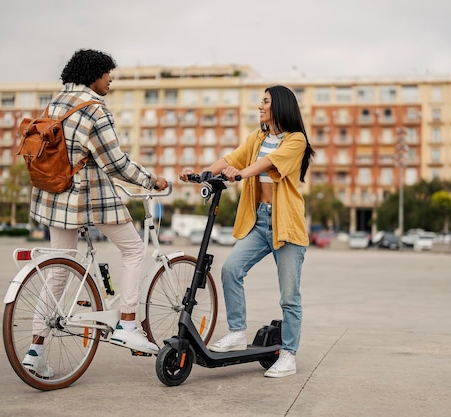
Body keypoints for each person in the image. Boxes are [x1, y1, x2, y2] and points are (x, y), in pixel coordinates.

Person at [23, 49, 170, 377]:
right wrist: (151, 180)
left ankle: (36, 348)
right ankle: (128, 325)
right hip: (89, 197)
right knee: (134, 249)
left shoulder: (56, 102)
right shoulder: (94, 110)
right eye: (108, 74)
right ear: (94, 75)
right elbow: (115, 163)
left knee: (60, 268)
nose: (111, 80)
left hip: (54, 197)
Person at [179, 85, 315, 378]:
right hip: (259, 221)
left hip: (287, 226)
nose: (260, 107)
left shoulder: (296, 140)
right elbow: (231, 159)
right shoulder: (257, 138)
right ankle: (238, 331)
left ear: (279, 105)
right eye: (260, 102)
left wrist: (241, 174)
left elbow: (268, 163)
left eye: (265, 102)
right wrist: (202, 173)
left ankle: (289, 354)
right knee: (230, 269)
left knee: (289, 296)